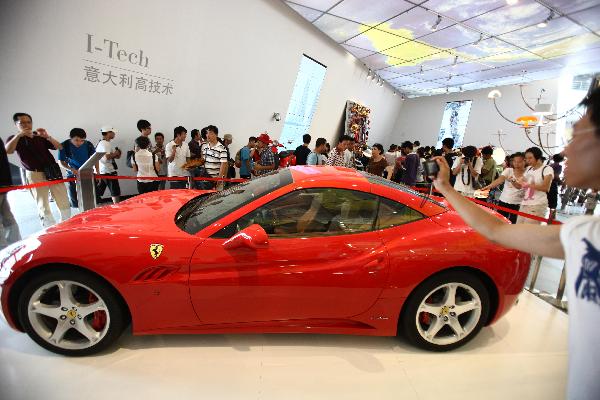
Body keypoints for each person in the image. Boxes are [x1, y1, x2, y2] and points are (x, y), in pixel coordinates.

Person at [428, 87, 600, 400]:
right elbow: (498, 232)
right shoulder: (584, 232)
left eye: (577, 135)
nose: (567, 150)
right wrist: (447, 189)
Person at [6, 113, 71, 226]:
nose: (26, 125)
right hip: (34, 173)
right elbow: (8, 151)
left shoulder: (38, 136)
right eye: (22, 123)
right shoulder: (14, 138)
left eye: (28, 122)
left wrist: (47, 136)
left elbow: (59, 147)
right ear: (16, 124)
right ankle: (48, 228)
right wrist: (18, 136)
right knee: (42, 202)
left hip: (52, 170)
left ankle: (67, 224)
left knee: (63, 198)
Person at [58, 128, 97, 209]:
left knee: (89, 199)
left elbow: (95, 158)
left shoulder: (88, 144)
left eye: (82, 140)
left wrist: (98, 171)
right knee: (75, 201)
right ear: (70, 137)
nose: (79, 143)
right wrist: (71, 169)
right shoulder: (64, 145)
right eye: (76, 140)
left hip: (87, 174)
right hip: (72, 175)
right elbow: (61, 162)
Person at [483, 152, 526, 224]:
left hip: (518, 204)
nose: (516, 164)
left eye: (519, 162)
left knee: (513, 223)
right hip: (503, 201)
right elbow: (499, 180)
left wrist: (512, 180)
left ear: (525, 161)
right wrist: (487, 187)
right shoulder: (508, 170)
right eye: (514, 161)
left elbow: (519, 186)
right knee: (500, 222)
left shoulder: (528, 174)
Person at [516, 147, 553, 224]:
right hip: (525, 204)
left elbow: (546, 188)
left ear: (538, 157)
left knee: (528, 232)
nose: (528, 160)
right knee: (518, 228)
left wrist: (528, 185)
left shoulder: (547, 169)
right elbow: (521, 182)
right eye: (526, 158)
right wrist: (515, 180)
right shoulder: (529, 169)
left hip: (537, 205)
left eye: (530, 158)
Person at [0, 136, 21, 249]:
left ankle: (11, 247)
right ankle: (8, 247)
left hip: (3, 184)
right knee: (7, 216)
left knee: (7, 216)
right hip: (3, 183)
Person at [96, 126, 122, 204]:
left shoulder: (102, 143)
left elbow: (111, 156)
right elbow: (106, 157)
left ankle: (96, 207)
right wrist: (116, 153)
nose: (114, 134)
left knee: (99, 192)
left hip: (103, 170)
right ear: (108, 133)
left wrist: (116, 154)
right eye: (113, 132)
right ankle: (117, 207)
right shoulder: (105, 144)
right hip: (108, 171)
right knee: (115, 192)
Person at [199, 125, 228, 190]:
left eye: (211, 133)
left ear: (216, 135)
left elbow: (223, 165)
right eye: (207, 133)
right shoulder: (205, 147)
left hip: (216, 181)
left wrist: (219, 179)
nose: (208, 135)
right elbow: (203, 161)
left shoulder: (222, 148)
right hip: (205, 180)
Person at [548, 153, 564, 220]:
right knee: (553, 203)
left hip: (547, 184)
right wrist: (561, 182)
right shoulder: (558, 166)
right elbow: (556, 176)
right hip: (553, 185)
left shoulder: (550, 165)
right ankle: (552, 218)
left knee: (548, 200)